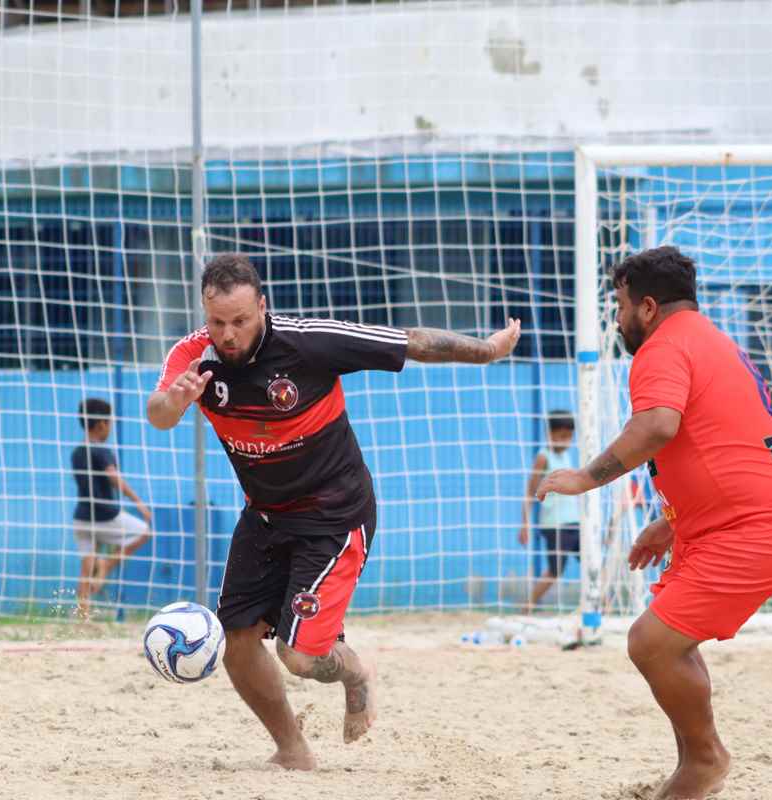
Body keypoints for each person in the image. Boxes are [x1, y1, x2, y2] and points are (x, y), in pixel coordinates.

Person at [147, 253, 520, 770]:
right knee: (236, 641)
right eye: (217, 322)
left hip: (335, 517)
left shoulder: (308, 342)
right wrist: (177, 399)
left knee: (300, 658)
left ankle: (354, 672)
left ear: (262, 306)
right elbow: (158, 414)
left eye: (240, 320)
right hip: (264, 515)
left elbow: (409, 341)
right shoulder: (194, 356)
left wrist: (486, 350)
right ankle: (292, 749)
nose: (227, 334)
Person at [536, 245, 772, 800]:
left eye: (618, 306)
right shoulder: (713, 342)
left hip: (753, 530)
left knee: (652, 643)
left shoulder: (661, 348)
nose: (616, 320)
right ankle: (696, 762)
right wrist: (671, 519)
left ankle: (705, 759)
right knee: (666, 644)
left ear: (645, 307)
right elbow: (721, 440)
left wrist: (585, 477)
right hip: (740, 521)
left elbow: (659, 427)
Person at [70, 397, 153, 619]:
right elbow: (114, 477)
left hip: (81, 518)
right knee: (144, 532)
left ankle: (81, 616)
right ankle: (107, 564)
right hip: (105, 516)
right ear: (101, 425)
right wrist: (138, 502)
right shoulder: (102, 451)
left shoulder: (77, 452)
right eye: (110, 423)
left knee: (86, 567)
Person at [518, 411, 580, 612]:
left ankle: (598, 604)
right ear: (549, 434)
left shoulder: (567, 456)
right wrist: (525, 524)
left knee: (591, 561)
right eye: (560, 437)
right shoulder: (543, 457)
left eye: (569, 437)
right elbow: (530, 492)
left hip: (575, 521)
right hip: (554, 524)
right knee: (555, 571)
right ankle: (527, 606)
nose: (565, 442)